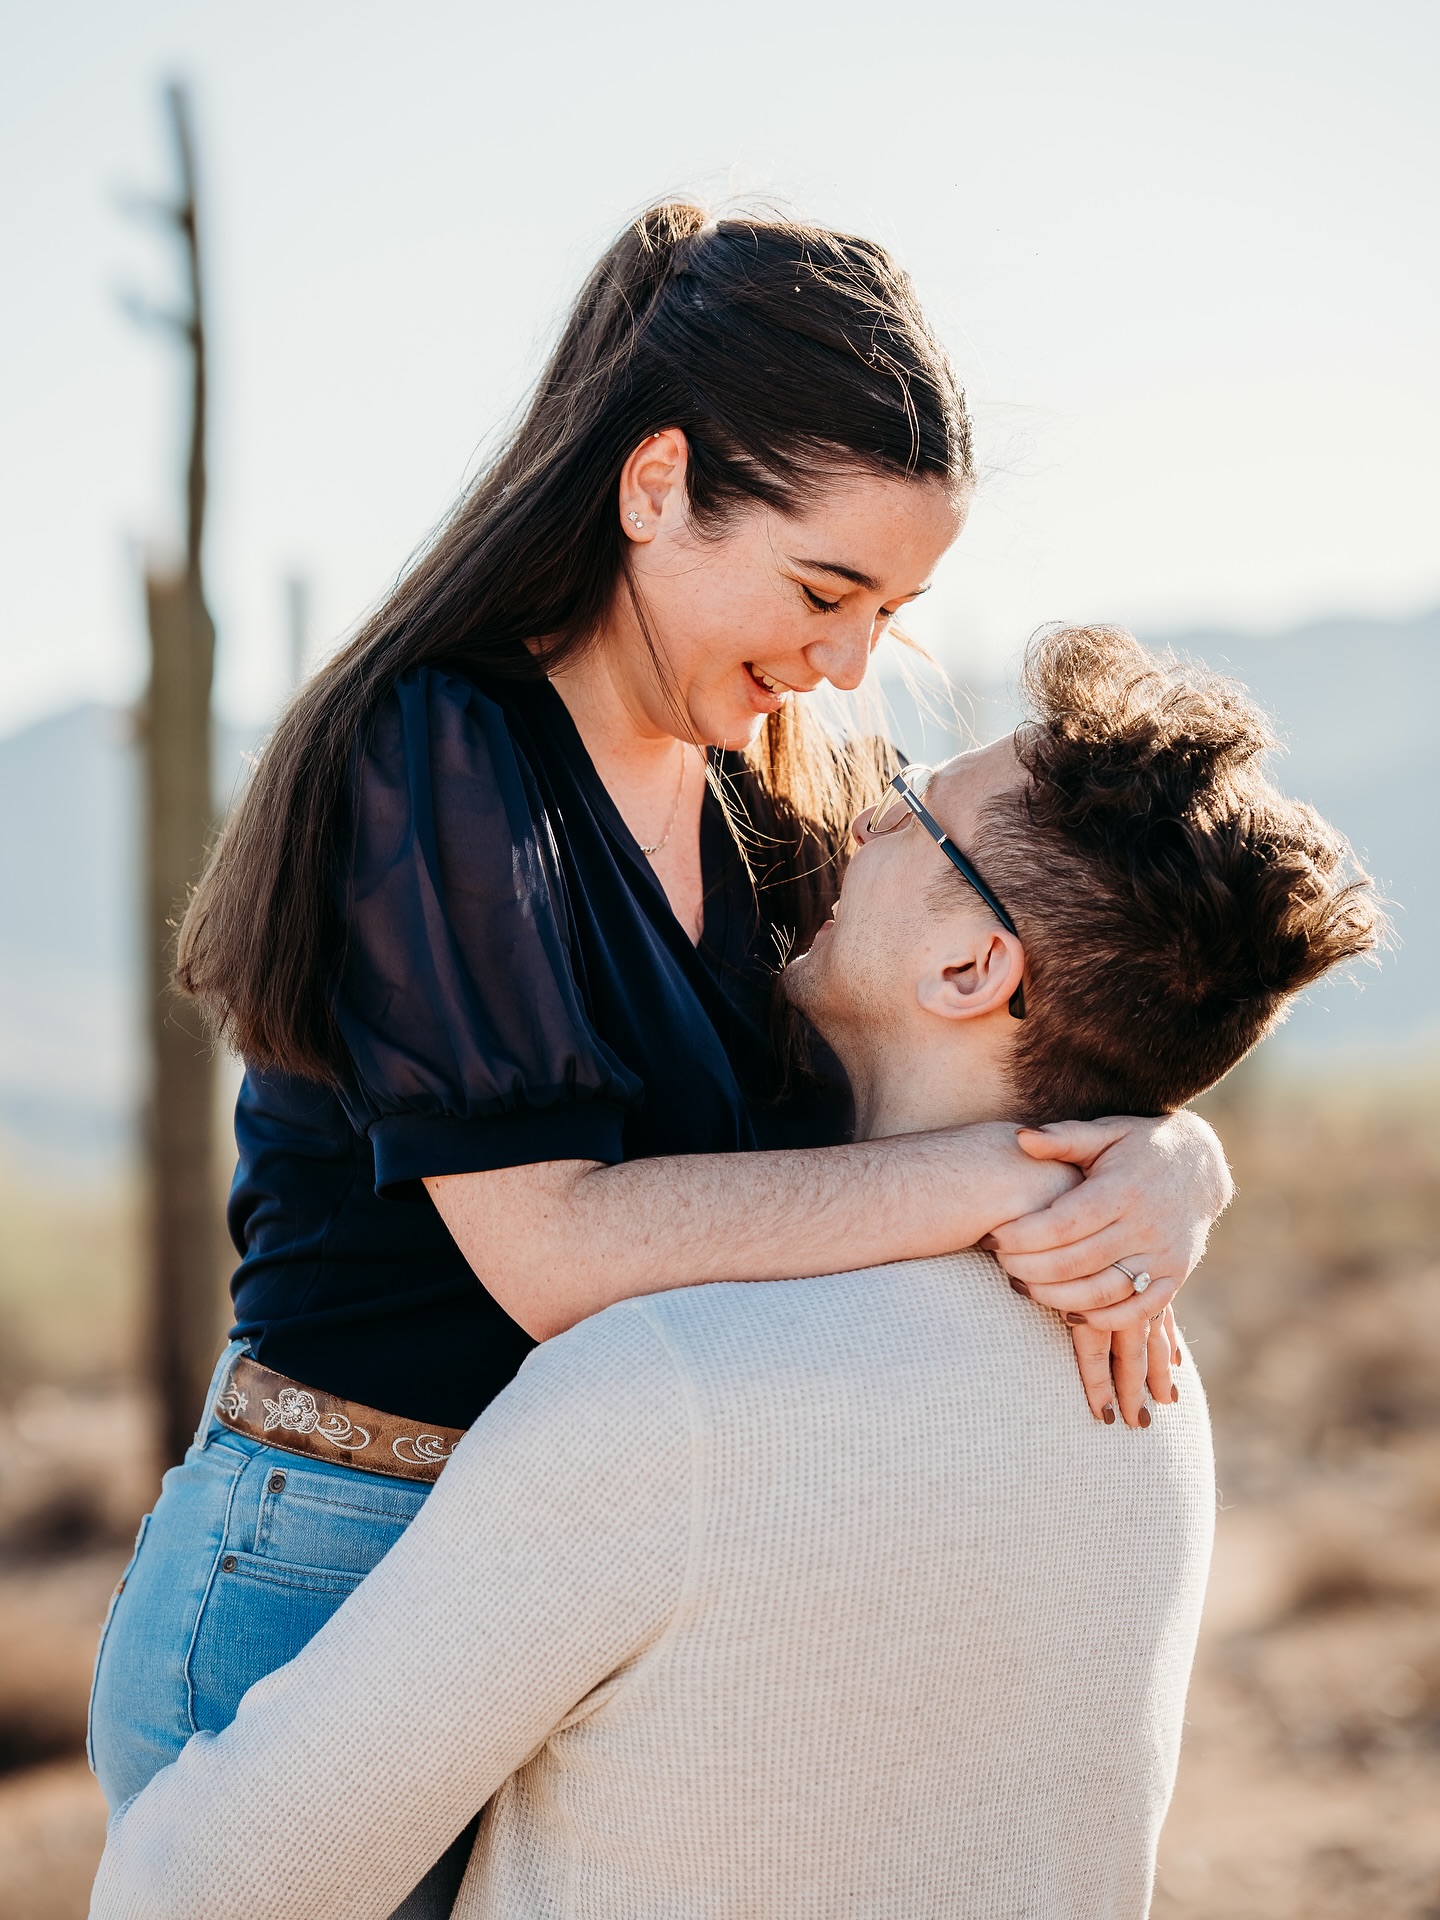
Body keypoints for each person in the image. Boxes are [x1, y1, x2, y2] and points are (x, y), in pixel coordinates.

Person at [87, 206, 1232, 1877]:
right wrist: (1009, 1177)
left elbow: (923, 1070)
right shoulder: (439, 753)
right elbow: (556, 1256)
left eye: (891, 612)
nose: (844, 662)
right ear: (652, 484)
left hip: (583, 1583)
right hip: (326, 1572)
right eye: (822, 587)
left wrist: (1165, 1155)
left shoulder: (774, 787)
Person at [89, 627, 1379, 1920]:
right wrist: (1160, 1145)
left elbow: (207, 1891)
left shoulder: (661, 1395)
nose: (862, 816)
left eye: (914, 813)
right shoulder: (1150, 1379)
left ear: (973, 966)